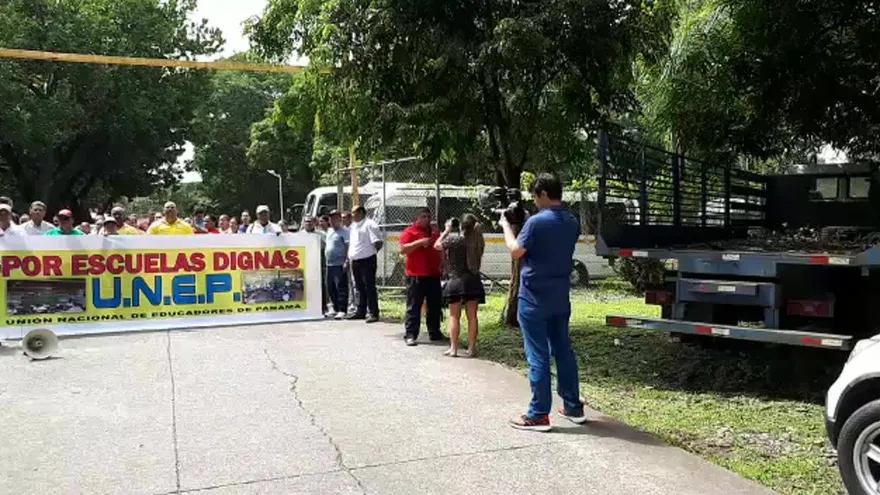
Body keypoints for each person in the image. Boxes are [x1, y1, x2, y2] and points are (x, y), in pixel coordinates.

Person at [500, 173, 585, 431]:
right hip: (560, 296)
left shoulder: (536, 222)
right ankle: (573, 406)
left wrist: (505, 226)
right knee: (563, 351)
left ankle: (538, 414)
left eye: (536, 197)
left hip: (533, 298)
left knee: (537, 354)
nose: (535, 201)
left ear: (544, 194)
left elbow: (516, 251)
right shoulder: (572, 221)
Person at [435, 214, 485, 357]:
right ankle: (471, 348)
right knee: (472, 317)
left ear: (461, 226)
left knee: (454, 316)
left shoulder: (454, 240)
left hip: (456, 281)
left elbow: (437, 245)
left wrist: (447, 230)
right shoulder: (478, 241)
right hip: (473, 281)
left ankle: (453, 348)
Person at [399, 207, 444, 346]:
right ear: (417, 218)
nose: (427, 219)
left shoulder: (435, 233)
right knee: (414, 306)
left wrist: (444, 264)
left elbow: (441, 250)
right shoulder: (410, 232)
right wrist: (419, 242)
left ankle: (434, 332)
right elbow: (403, 249)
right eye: (423, 217)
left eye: (428, 217)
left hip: (433, 274)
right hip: (416, 275)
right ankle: (410, 334)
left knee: (435, 305)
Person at [346, 205, 383, 323]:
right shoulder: (353, 226)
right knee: (359, 287)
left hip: (367, 260)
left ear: (361, 213)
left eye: (354, 213)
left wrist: (370, 253)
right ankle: (361, 311)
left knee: (369, 287)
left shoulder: (370, 224)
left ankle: (373, 313)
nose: (352, 215)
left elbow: (378, 243)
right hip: (355, 260)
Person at [324, 210, 350, 319]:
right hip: (329, 264)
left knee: (341, 287)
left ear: (340, 219)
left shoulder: (345, 232)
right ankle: (335, 308)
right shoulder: (329, 231)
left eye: (335, 218)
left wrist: (346, 261)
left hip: (340, 263)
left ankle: (342, 310)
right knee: (330, 288)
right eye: (331, 218)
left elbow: (348, 247)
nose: (332, 220)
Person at [341, 210, 359, 316]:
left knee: (354, 282)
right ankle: (351, 303)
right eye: (342, 218)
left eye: (344, 218)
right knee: (349, 283)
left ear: (350, 218)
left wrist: (348, 260)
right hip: (345, 259)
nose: (342, 220)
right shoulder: (344, 229)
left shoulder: (353, 229)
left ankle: (357, 304)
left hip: (353, 258)